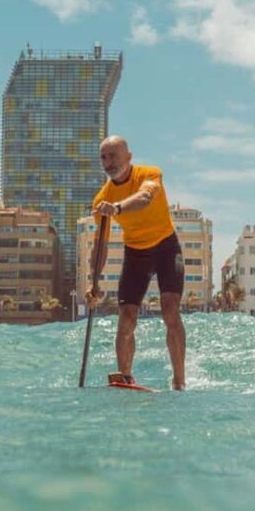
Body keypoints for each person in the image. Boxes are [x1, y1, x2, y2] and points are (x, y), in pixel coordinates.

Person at [86, 135, 186, 390]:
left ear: (128, 157)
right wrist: (93, 281)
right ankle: (125, 378)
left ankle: (179, 380)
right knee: (126, 316)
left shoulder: (150, 174)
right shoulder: (101, 201)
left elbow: (144, 198)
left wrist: (117, 208)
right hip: (136, 254)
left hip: (166, 247)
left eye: (113, 156)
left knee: (170, 309)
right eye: (103, 157)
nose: (108, 162)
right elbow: (101, 244)